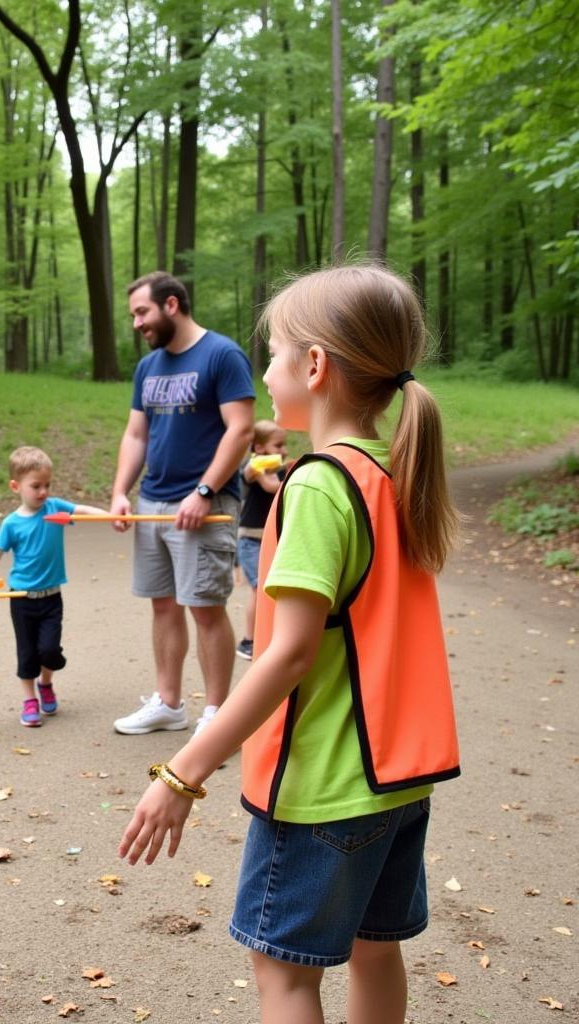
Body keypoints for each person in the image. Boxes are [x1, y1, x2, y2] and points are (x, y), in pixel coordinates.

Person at [118, 265, 461, 1024]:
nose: (265, 371)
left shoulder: (317, 485)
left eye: (272, 353)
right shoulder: (388, 469)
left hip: (324, 789)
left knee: (282, 973)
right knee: (376, 949)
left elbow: (289, 654)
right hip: (396, 781)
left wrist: (183, 773)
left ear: (315, 367)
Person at [110, 271, 255, 738]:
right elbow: (136, 434)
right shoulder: (148, 367)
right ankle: (169, 704)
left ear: (171, 304)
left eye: (142, 312)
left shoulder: (222, 355)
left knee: (206, 607)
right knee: (164, 606)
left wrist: (205, 491)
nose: (137, 323)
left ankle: (217, 716)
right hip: (154, 500)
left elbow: (241, 430)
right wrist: (119, 492)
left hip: (205, 506)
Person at [0, 446, 107, 727]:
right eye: (36, 486)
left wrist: (110, 516)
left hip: (52, 598)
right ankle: (30, 699)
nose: (43, 491)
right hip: (21, 599)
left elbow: (81, 510)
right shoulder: (11, 524)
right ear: (15, 486)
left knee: (50, 650)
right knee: (27, 652)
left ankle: (46, 683)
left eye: (47, 485)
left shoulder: (55, 509)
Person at [235, 420, 288, 661]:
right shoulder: (254, 468)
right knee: (259, 589)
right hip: (251, 539)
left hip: (272, 539)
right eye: (278, 445)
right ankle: (249, 640)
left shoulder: (280, 469)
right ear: (259, 447)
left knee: (273, 589)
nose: (283, 451)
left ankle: (269, 636)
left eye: (284, 445)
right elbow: (271, 487)